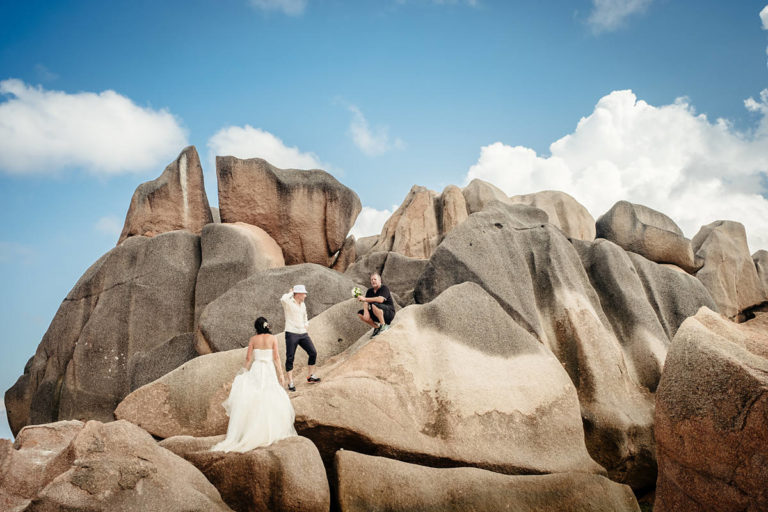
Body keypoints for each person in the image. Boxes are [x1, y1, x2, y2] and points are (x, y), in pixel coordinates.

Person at [211, 317, 297, 452]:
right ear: (266, 326)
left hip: (257, 368)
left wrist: (244, 372)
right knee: (270, 396)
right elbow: (276, 357)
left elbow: (248, 358)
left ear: (256, 327)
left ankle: (249, 430)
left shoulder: (253, 339)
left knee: (253, 396)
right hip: (268, 369)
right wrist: (281, 374)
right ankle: (269, 430)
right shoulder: (272, 338)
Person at [280, 285, 321, 392]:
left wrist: (306, 325)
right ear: (297, 294)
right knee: (290, 357)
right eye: (303, 293)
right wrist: (291, 292)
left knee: (313, 352)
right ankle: (290, 382)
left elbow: (305, 316)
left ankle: (310, 376)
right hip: (291, 333)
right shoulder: (288, 302)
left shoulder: (303, 304)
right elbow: (283, 298)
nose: (305, 295)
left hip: (303, 333)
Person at [357, 272, 395, 337]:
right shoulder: (369, 291)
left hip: (388, 313)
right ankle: (377, 328)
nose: (373, 281)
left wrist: (365, 299)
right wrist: (366, 311)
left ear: (380, 280)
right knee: (360, 314)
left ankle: (383, 326)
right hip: (377, 312)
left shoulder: (384, 288)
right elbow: (366, 302)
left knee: (374, 304)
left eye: (375, 279)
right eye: (371, 280)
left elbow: (380, 300)